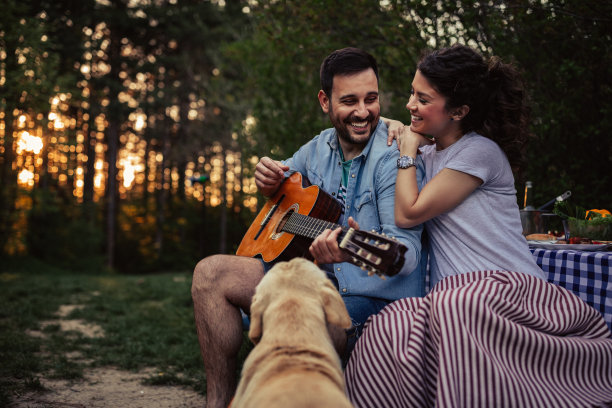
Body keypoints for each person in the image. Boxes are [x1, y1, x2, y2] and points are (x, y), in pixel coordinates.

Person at [345, 44, 612, 407]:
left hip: (506, 291)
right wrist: (401, 133)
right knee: (388, 327)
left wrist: (407, 148)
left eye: (423, 98)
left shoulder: (479, 152)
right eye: (411, 92)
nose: (410, 105)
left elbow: (409, 213)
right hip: (452, 301)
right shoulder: (428, 152)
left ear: (458, 111)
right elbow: (395, 136)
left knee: (458, 304)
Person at [191, 47, 426, 408]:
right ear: (325, 101)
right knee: (210, 274)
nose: (363, 112)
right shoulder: (319, 147)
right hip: (314, 280)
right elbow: (280, 176)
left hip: (370, 296)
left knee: (307, 315)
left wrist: (349, 250)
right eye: (349, 100)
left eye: (371, 98)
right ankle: (219, 402)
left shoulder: (393, 157)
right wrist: (265, 177)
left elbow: (405, 255)